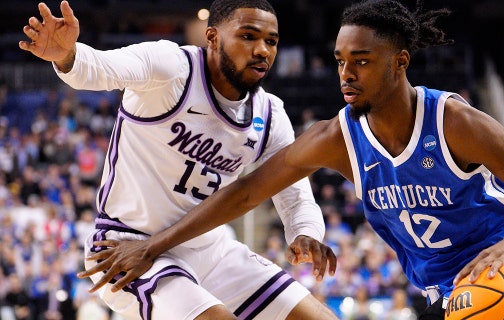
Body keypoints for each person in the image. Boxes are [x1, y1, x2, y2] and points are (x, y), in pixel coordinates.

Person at [75, 0, 504, 319]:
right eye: (341, 61)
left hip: (501, 277)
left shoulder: (454, 122)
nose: (346, 73)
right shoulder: (336, 138)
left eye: (362, 62)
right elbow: (249, 192)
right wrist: (156, 246)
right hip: (434, 288)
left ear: (399, 63)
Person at [19, 1, 338, 319]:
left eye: (271, 41)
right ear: (212, 37)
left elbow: (294, 191)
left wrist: (305, 230)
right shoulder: (171, 68)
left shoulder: (270, 114)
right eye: (248, 37)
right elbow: (103, 68)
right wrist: (67, 56)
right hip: (129, 246)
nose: (262, 50)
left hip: (213, 250)